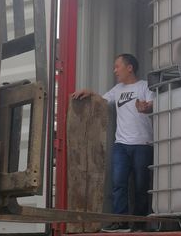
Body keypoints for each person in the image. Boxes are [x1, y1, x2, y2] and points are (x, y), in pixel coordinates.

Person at [72, 53, 153, 233]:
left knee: (141, 186)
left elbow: (151, 104)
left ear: (129, 68)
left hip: (142, 144)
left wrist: (146, 107)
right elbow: (102, 101)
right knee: (118, 184)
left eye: (117, 66)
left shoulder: (144, 86)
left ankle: (140, 225)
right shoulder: (117, 89)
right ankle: (120, 222)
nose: (114, 70)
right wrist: (90, 92)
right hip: (121, 145)